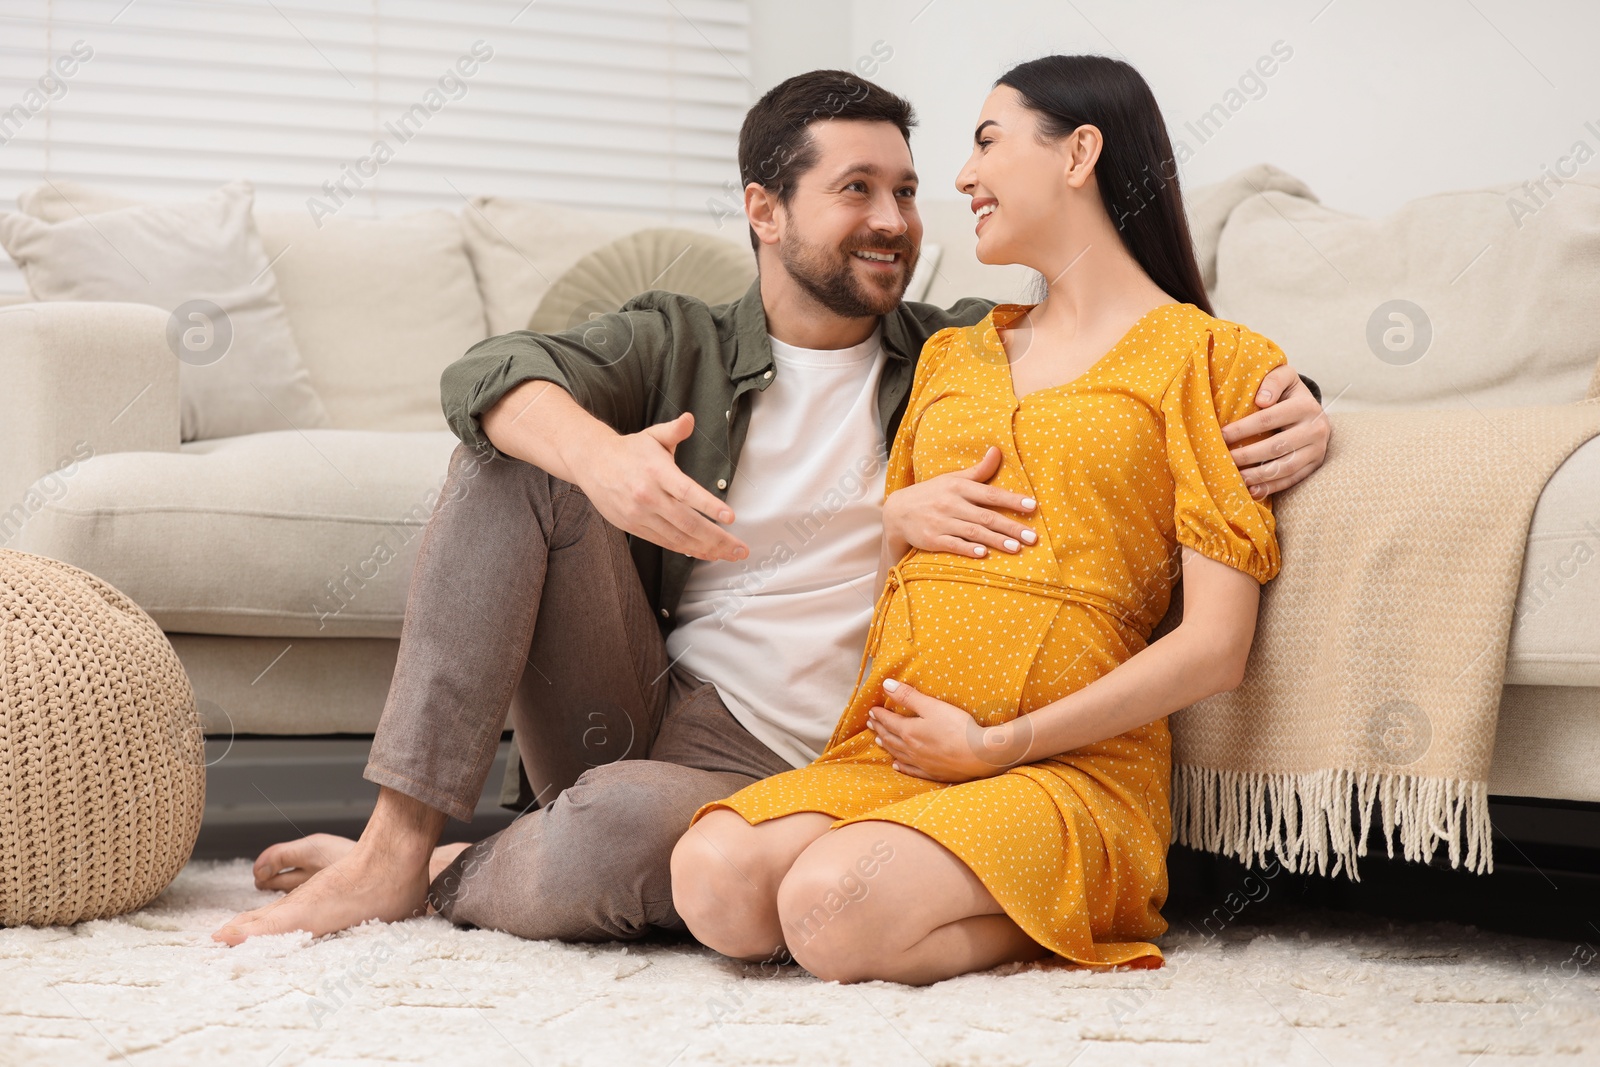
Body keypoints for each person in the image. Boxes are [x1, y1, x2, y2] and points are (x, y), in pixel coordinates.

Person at [213, 66, 1329, 947]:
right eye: (855, 190)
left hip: (813, 756)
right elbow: (486, 376)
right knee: (513, 458)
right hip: (646, 689)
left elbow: (1134, 362)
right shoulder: (678, 339)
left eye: (903, 189)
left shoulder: (950, 345)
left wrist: (1302, 403)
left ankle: (464, 867)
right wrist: (603, 461)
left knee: (615, 841)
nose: (895, 218)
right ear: (764, 208)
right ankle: (395, 844)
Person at [671, 54, 1293, 986]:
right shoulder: (956, 353)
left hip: (1062, 768)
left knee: (828, 911)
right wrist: (893, 521)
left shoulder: (1211, 358)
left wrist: (998, 745)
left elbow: (1216, 647)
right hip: (899, 752)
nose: (959, 178)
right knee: (713, 880)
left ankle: (1070, 909)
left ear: (1080, 152)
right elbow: (897, 571)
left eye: (987, 142)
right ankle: (914, 883)